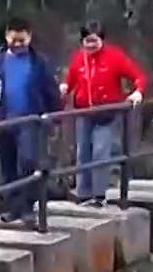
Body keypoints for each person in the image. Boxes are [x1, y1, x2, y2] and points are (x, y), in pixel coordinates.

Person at [0, 18, 62, 221]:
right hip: (3, 122)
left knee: (28, 163)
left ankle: (28, 207)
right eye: (14, 39)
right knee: (8, 166)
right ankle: (13, 207)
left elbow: (50, 91)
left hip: (31, 121)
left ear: (29, 37)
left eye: (22, 40)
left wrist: (54, 117)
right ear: (6, 36)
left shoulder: (39, 62)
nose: (18, 44)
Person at [61, 22, 148, 205]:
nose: (91, 45)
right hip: (84, 111)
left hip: (107, 112)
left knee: (100, 152)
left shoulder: (114, 57)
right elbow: (71, 80)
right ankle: (83, 194)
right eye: (87, 41)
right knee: (83, 152)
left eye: (94, 41)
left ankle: (99, 195)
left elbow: (138, 76)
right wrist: (64, 88)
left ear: (102, 40)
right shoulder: (79, 58)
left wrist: (138, 92)